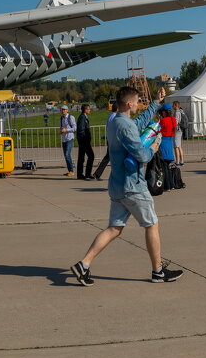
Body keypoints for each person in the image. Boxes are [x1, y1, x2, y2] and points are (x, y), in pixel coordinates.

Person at [70, 86, 184, 286]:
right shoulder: (125, 126)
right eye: (138, 101)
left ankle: (84, 264)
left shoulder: (115, 121)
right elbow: (141, 154)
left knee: (114, 228)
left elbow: (139, 123)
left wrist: (155, 103)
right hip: (133, 186)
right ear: (130, 103)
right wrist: (153, 149)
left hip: (117, 185)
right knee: (151, 224)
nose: (139, 105)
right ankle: (158, 271)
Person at [75, 104, 95, 180]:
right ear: (85, 110)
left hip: (83, 141)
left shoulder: (83, 117)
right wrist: (85, 139)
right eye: (89, 109)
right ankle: (87, 174)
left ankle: (80, 174)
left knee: (81, 157)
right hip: (84, 141)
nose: (90, 110)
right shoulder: (82, 118)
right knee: (91, 156)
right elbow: (81, 130)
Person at [59, 105, 76, 176]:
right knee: (66, 156)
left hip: (70, 138)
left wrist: (66, 130)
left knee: (67, 154)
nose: (63, 111)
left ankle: (71, 170)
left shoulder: (71, 117)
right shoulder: (61, 118)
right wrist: (60, 131)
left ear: (67, 110)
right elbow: (61, 127)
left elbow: (75, 128)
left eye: (64, 109)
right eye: (62, 110)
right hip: (64, 139)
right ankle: (70, 171)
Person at [172, 100, 187, 166]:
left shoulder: (177, 112)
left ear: (175, 105)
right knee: (179, 146)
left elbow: (176, 122)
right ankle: (181, 161)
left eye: (173, 105)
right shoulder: (181, 111)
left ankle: (177, 161)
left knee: (176, 146)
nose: (172, 106)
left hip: (177, 130)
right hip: (180, 130)